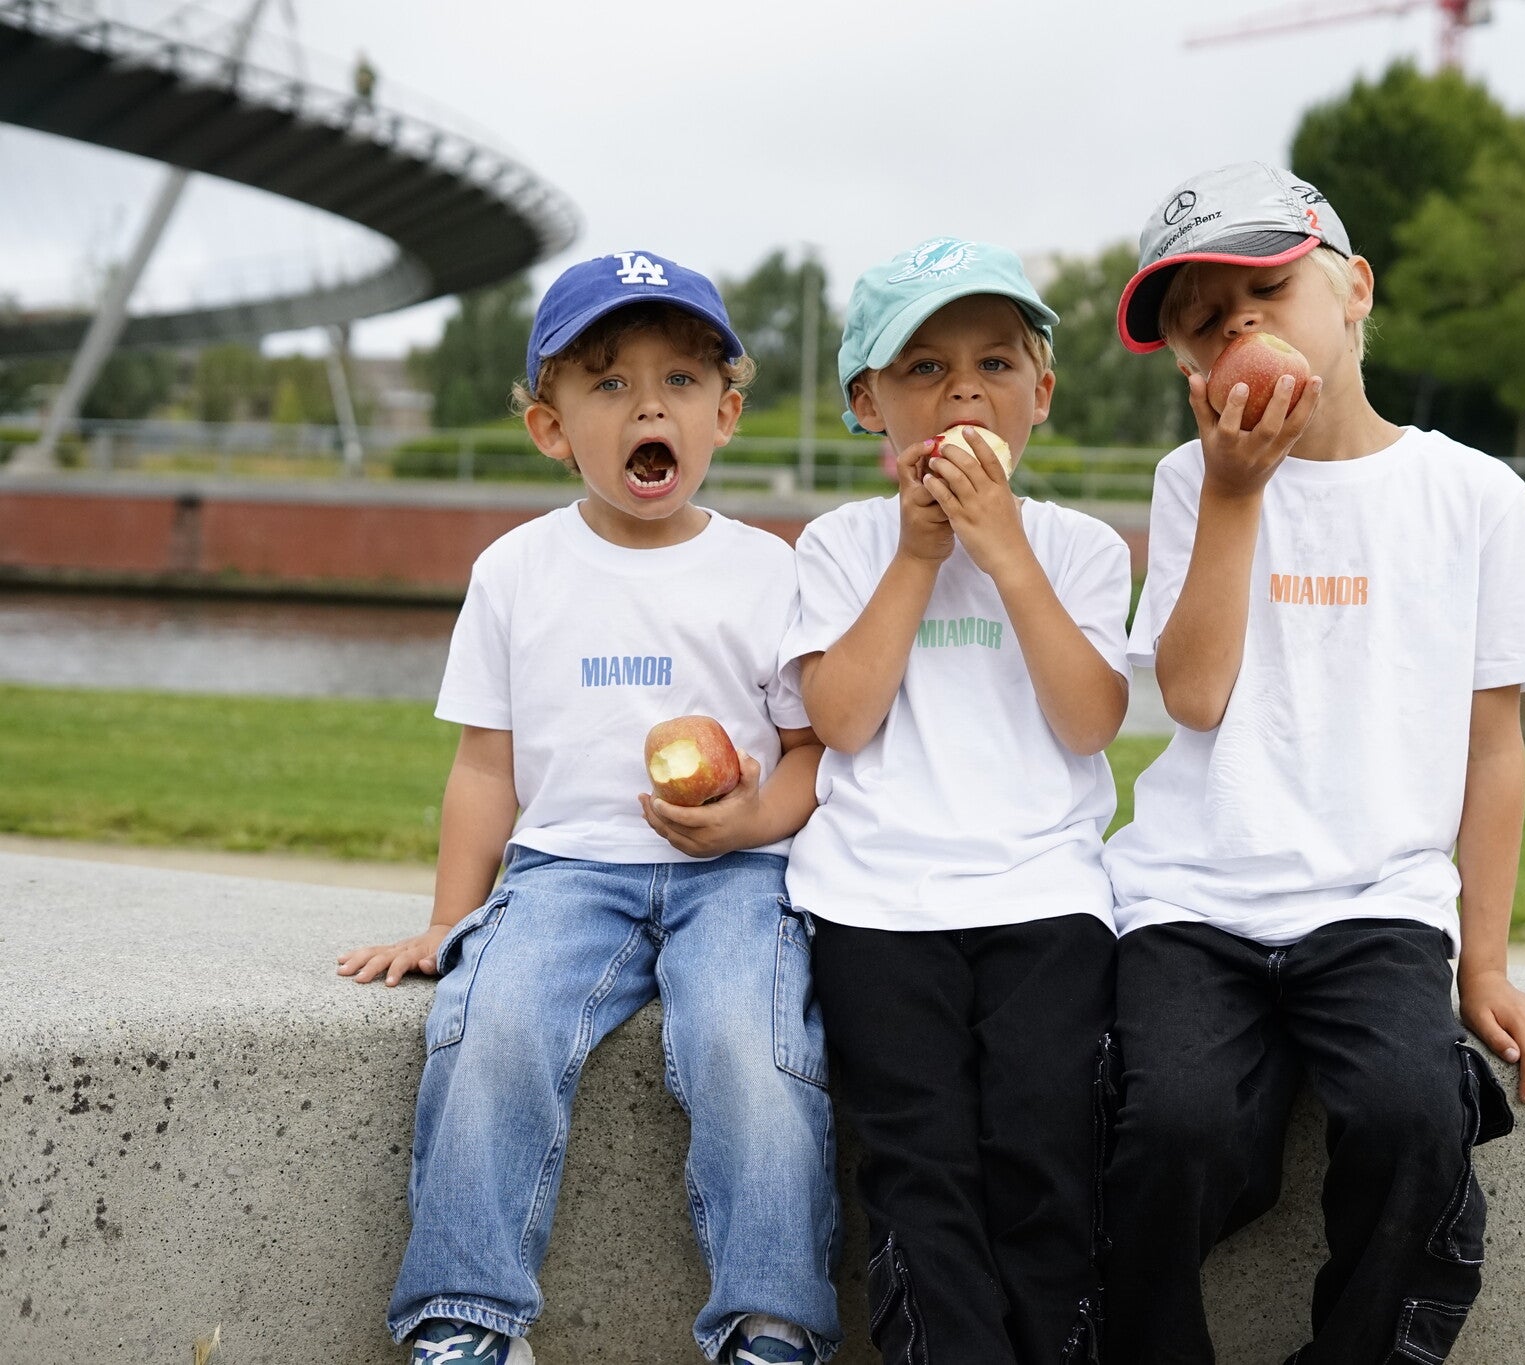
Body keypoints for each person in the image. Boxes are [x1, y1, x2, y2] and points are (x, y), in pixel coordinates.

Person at [1097, 163, 1525, 1365]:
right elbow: (1191, 694)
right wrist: (1236, 493)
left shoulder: (1472, 495)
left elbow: (1493, 749)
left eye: (1264, 288)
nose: (1236, 325)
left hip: (1375, 903)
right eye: (1198, 318)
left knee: (1410, 1117)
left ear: (1355, 288)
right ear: (1183, 364)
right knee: (1164, 1129)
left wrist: (1481, 966)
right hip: (1190, 896)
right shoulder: (1191, 482)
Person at [337, 250, 840, 1365]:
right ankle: (466, 1313)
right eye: (607, 383)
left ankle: (771, 1320)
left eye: (679, 381)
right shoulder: (517, 570)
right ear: (549, 427)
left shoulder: (768, 573)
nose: (647, 403)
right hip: (563, 869)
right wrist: (445, 922)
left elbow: (812, 756)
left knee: (747, 1050)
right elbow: (484, 767)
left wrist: (750, 822)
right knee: (491, 1027)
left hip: (738, 876)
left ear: (725, 415)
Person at [780, 237, 1132, 1364]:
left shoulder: (1077, 548)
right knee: (915, 1159)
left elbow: (1088, 720)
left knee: (1043, 1145)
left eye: (994, 362)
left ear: (1042, 393)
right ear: (866, 403)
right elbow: (840, 718)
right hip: (877, 901)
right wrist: (920, 555)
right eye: (922, 368)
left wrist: (1004, 551)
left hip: (1045, 897)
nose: (962, 389)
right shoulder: (839, 544)